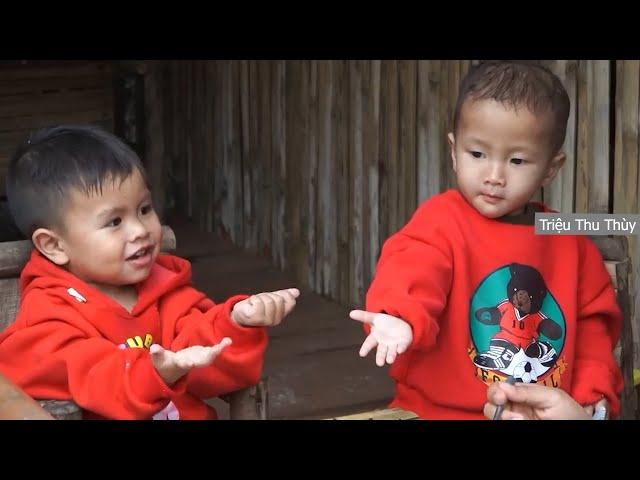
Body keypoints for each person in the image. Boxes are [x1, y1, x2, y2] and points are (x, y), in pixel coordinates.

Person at [350, 61, 623, 419]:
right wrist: (399, 316)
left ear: (551, 168)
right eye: (477, 154)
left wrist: (590, 400)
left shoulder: (567, 238)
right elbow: (413, 267)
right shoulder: (442, 220)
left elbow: (593, 329)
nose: (494, 176)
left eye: (518, 160)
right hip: (436, 411)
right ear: (453, 150)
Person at [0, 124, 299, 420]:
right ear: (54, 245)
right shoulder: (49, 313)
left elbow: (208, 365)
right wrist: (157, 372)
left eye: (144, 209)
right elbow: (93, 374)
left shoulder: (167, 289)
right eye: (114, 222)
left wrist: (235, 323)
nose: (140, 230)